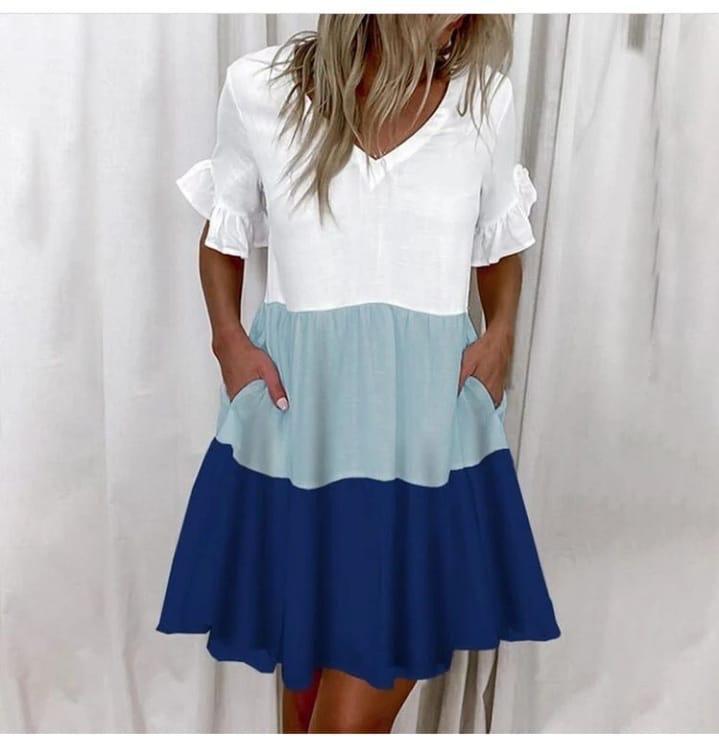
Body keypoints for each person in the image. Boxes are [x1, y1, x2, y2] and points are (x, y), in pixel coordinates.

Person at [157, 14, 560, 733]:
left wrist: (500, 334)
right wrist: (229, 343)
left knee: (343, 721)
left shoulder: (483, 98)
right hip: (300, 425)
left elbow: (497, 240)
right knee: (305, 705)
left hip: (425, 430)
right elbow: (225, 226)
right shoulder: (260, 88)